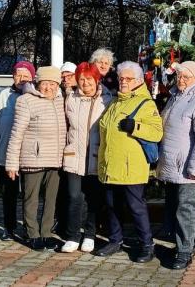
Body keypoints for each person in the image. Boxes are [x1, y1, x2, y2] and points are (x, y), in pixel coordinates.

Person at [94, 61, 163, 263]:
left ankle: (147, 245)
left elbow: (157, 133)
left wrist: (135, 127)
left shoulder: (145, 103)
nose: (123, 81)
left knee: (136, 206)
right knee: (112, 205)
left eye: (128, 79)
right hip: (110, 164)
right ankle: (115, 240)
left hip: (131, 166)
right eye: (121, 78)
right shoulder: (116, 101)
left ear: (139, 81)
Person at [157, 61, 195, 269]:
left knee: (186, 208)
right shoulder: (175, 97)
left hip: (189, 168)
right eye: (179, 76)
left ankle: (185, 251)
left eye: (186, 77)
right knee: (176, 207)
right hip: (173, 164)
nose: (181, 81)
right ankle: (179, 244)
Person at [5, 66, 66, 251]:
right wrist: (12, 163)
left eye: (53, 83)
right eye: (45, 83)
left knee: (51, 199)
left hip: (56, 160)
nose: (49, 87)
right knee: (30, 199)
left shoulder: (60, 100)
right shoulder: (26, 101)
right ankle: (32, 234)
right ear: (38, 83)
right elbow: (17, 133)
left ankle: (46, 233)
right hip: (33, 158)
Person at [60, 62, 115, 253]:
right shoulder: (70, 99)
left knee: (93, 198)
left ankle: (90, 235)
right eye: (82, 80)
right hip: (74, 155)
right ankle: (73, 235)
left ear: (96, 79)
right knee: (74, 196)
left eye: (89, 79)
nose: (85, 84)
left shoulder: (107, 100)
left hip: (95, 155)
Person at [0, 60, 35, 241]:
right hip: (6, 154)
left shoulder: (36, 96)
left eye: (26, 75)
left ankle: (27, 227)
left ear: (32, 77)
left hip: (29, 155)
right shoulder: (3, 95)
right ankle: (9, 227)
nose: (22, 79)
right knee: (9, 193)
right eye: (18, 75)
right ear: (13, 76)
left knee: (28, 193)